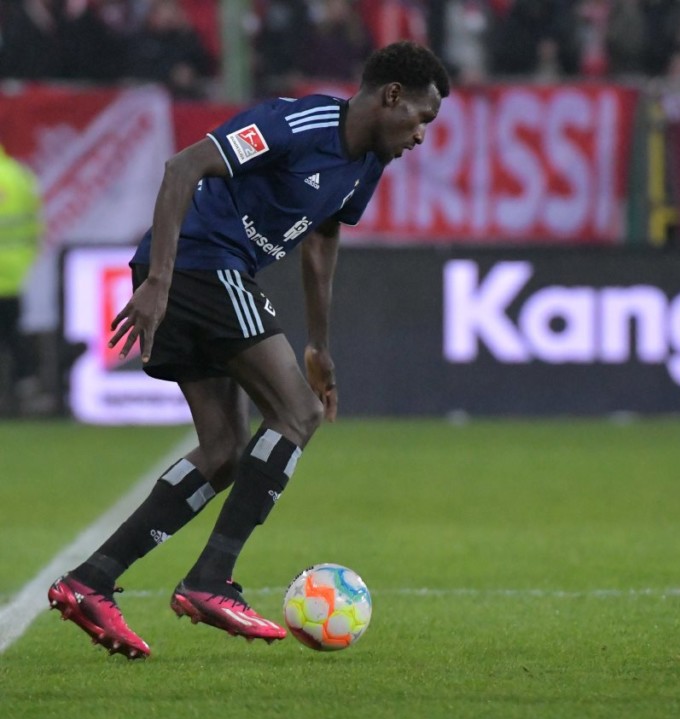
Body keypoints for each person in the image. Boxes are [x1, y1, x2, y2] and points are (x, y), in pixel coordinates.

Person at [47, 41, 450, 660]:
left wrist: (318, 341)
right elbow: (183, 167)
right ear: (390, 96)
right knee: (298, 413)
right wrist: (158, 280)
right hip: (199, 266)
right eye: (422, 117)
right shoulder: (294, 124)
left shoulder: (366, 162)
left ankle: (90, 582)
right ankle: (211, 580)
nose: (422, 134)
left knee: (225, 450)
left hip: (211, 274)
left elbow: (323, 235)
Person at [0, 144, 44, 416]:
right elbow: (35, 223)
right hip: (15, 274)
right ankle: (26, 393)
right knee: (14, 336)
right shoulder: (19, 175)